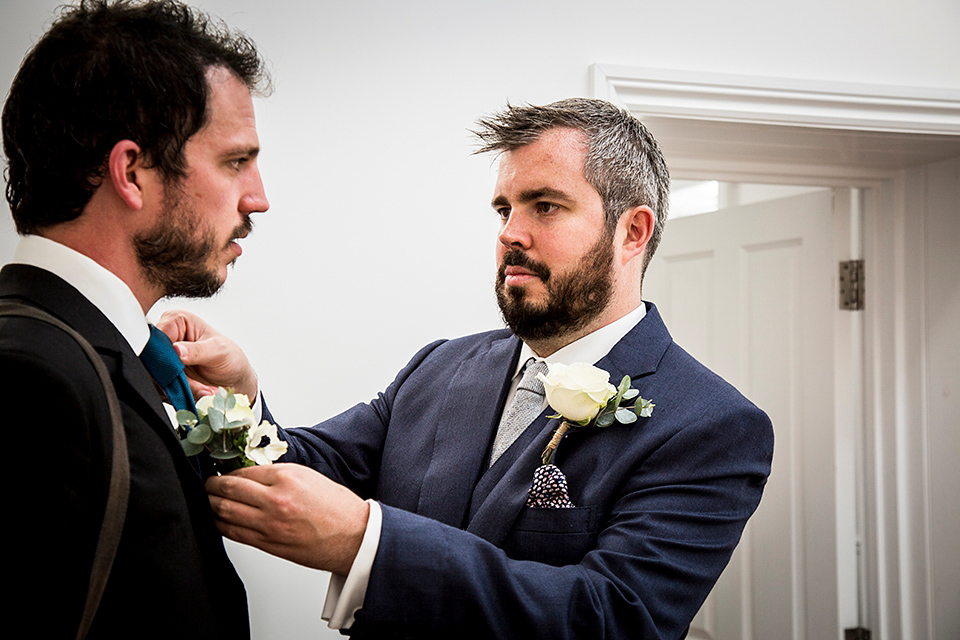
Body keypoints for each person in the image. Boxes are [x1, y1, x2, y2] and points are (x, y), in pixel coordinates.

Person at [164, 98, 774, 639]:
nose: (511, 233)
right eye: (504, 209)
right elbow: (304, 469)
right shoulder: (441, 365)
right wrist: (235, 394)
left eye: (545, 206)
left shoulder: (713, 425)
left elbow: (612, 617)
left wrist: (365, 542)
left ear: (632, 232)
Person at [0, 1, 269, 637]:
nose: (259, 197)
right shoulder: (25, 377)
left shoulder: (117, 354)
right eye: (235, 161)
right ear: (132, 172)